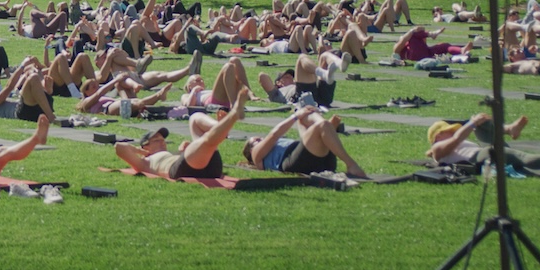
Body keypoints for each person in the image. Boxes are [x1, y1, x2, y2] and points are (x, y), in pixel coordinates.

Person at [114, 88, 248, 179]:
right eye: (156, 140)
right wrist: (142, 152)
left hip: (207, 165)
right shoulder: (144, 163)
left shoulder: (173, 153)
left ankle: (218, 127)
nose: (162, 142)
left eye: (163, 139)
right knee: (206, 141)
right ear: (145, 146)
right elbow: (119, 148)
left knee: (195, 118)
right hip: (182, 170)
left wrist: (184, 151)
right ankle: (233, 115)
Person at [239, 103, 368, 178]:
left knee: (306, 116)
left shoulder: (275, 147)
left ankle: (324, 126)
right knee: (318, 124)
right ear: (250, 150)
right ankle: (351, 164)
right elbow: (274, 134)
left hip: (316, 160)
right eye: (256, 140)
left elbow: (301, 140)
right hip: (293, 163)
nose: (261, 139)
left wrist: (302, 115)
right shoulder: (256, 155)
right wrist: (295, 116)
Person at [427, 113, 540, 172]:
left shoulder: (450, 140)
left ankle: (509, 129)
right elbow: (457, 139)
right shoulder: (437, 149)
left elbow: (460, 136)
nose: (454, 130)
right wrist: (472, 123)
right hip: (479, 158)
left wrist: (476, 123)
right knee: (519, 156)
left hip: (485, 151)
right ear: (438, 136)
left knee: (481, 125)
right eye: (449, 130)